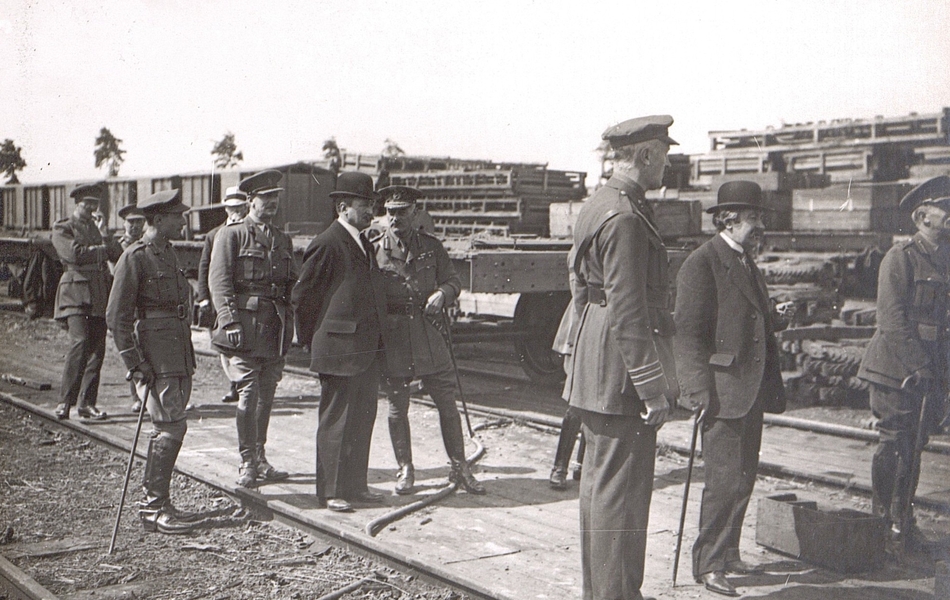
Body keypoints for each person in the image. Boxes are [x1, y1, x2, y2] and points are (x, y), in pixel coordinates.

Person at [563, 115, 678, 600]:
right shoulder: (628, 217)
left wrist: (577, 353)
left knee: (600, 488)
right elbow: (630, 312)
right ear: (646, 155)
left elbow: (577, 282)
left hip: (596, 362)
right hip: (621, 372)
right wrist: (653, 389)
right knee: (621, 496)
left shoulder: (599, 204)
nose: (668, 164)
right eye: (665, 154)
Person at [674, 181, 790, 597]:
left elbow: (748, 320)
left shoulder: (745, 261)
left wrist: (776, 316)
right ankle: (707, 565)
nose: (759, 226)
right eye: (755, 218)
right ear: (730, 218)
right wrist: (697, 392)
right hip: (722, 393)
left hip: (750, 388)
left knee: (744, 478)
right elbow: (687, 335)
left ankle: (729, 552)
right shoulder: (702, 263)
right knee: (722, 481)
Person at [371, 185, 484, 495]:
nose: (395, 219)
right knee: (397, 406)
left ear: (416, 213)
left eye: (402, 212)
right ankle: (405, 469)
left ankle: (459, 466)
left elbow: (453, 280)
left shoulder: (432, 247)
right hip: (394, 336)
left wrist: (442, 293)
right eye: (390, 212)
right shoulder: (375, 249)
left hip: (428, 332)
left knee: (447, 402)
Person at [858, 175, 950, 553]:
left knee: (916, 445)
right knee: (894, 443)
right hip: (895, 369)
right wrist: (919, 366)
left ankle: (903, 518)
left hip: (928, 371)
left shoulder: (945, 258)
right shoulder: (900, 257)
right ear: (922, 216)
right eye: (945, 208)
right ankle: (882, 520)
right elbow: (892, 321)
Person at [292, 171, 387, 513]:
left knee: (362, 418)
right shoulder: (327, 242)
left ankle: (356, 486)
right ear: (343, 207)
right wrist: (309, 340)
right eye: (366, 205)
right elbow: (304, 297)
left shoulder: (361, 241)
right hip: (338, 348)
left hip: (363, 349)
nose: (371, 212)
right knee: (337, 421)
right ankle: (331, 491)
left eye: (372, 205)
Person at [106, 189, 198, 534]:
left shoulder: (169, 253)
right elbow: (116, 317)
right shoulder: (135, 257)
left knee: (172, 425)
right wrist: (134, 364)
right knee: (170, 426)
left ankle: (159, 504)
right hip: (156, 357)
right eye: (177, 216)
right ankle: (152, 507)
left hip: (176, 353)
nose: (183, 220)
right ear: (158, 220)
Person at [209, 171, 296, 488]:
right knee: (248, 395)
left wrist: (291, 324)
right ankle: (247, 462)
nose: (271, 203)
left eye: (275, 198)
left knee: (266, 397)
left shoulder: (282, 239)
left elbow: (290, 285)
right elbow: (219, 282)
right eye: (265, 198)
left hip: (274, 331)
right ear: (250, 201)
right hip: (244, 329)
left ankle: (260, 457)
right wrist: (230, 321)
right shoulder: (232, 236)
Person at [52, 182, 123, 421]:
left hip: (99, 293)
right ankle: (65, 402)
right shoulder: (64, 227)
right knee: (80, 343)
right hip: (75, 292)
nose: (91, 209)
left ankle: (87, 404)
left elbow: (117, 255)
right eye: (87, 204)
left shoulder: (97, 228)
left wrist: (103, 236)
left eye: (94, 204)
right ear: (77, 204)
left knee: (97, 350)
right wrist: (100, 249)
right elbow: (73, 254)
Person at [197, 186, 248, 405]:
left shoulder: (250, 233)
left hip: (243, 298)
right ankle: (233, 385)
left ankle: (239, 385)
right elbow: (204, 267)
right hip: (221, 298)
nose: (236, 212)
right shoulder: (214, 235)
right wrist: (204, 298)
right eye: (232, 208)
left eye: (240, 207)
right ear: (226, 209)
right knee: (225, 344)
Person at [116, 201, 148, 413]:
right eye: (131, 222)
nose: (134, 227)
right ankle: (136, 397)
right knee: (132, 352)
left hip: (143, 306)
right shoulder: (117, 247)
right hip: (127, 305)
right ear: (124, 223)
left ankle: (146, 395)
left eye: (139, 222)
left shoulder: (147, 246)